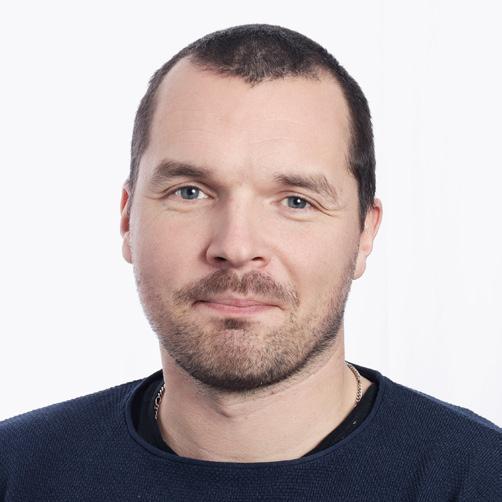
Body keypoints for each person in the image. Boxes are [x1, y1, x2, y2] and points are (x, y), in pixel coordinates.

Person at [1, 23, 500, 501]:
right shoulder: (16, 471)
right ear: (128, 220)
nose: (237, 247)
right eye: (190, 192)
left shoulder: (480, 479)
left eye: (296, 201)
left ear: (365, 233)